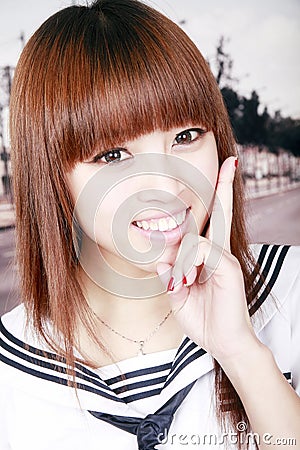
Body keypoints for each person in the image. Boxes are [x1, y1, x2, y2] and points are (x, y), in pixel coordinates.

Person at [0, 0, 299, 449]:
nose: (164, 183)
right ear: (51, 177)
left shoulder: (290, 292)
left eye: (185, 137)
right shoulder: (11, 374)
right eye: (112, 155)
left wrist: (242, 355)